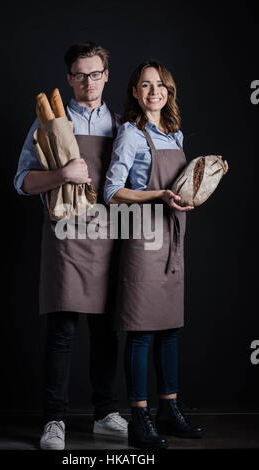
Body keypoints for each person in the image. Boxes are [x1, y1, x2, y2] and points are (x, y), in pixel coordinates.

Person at [104, 61, 229, 449]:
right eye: (145, 85)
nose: (154, 91)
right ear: (135, 93)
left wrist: (212, 172)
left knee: (170, 331)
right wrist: (158, 195)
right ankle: (139, 417)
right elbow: (111, 192)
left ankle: (168, 410)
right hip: (142, 239)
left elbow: (185, 186)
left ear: (169, 92)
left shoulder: (173, 136)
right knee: (141, 332)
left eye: (160, 85)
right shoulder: (129, 134)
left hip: (173, 238)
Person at [13, 42, 128, 451]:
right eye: (80, 75)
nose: (88, 82)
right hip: (65, 238)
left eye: (95, 73)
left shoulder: (121, 126)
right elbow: (22, 182)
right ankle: (54, 420)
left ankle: (105, 413)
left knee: (105, 331)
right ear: (69, 79)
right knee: (62, 331)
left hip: (107, 237)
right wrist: (63, 172)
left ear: (107, 76)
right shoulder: (46, 126)